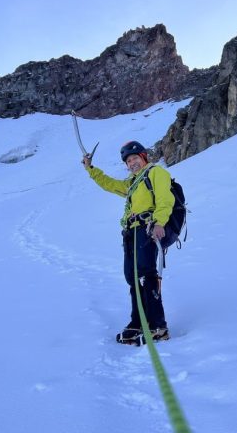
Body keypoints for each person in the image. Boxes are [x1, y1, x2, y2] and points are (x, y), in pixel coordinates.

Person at [82, 140, 174, 344]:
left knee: (146, 274)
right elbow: (111, 185)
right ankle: (138, 322)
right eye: (128, 160)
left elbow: (165, 199)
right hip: (131, 233)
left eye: (135, 158)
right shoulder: (133, 182)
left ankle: (158, 325)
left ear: (143, 157)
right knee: (132, 277)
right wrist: (91, 169)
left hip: (147, 229)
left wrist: (159, 223)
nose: (132, 163)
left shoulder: (155, 173)